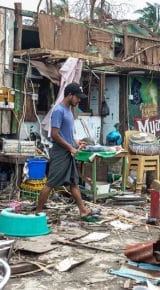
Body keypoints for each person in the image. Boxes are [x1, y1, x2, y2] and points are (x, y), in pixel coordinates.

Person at [35, 82, 99, 222]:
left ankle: (83, 211)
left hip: (68, 151)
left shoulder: (69, 110)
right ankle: (37, 213)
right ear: (70, 95)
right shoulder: (59, 110)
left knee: (74, 183)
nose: (79, 100)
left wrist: (75, 141)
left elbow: (65, 133)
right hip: (60, 152)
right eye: (77, 97)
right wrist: (70, 147)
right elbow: (55, 134)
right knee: (51, 183)